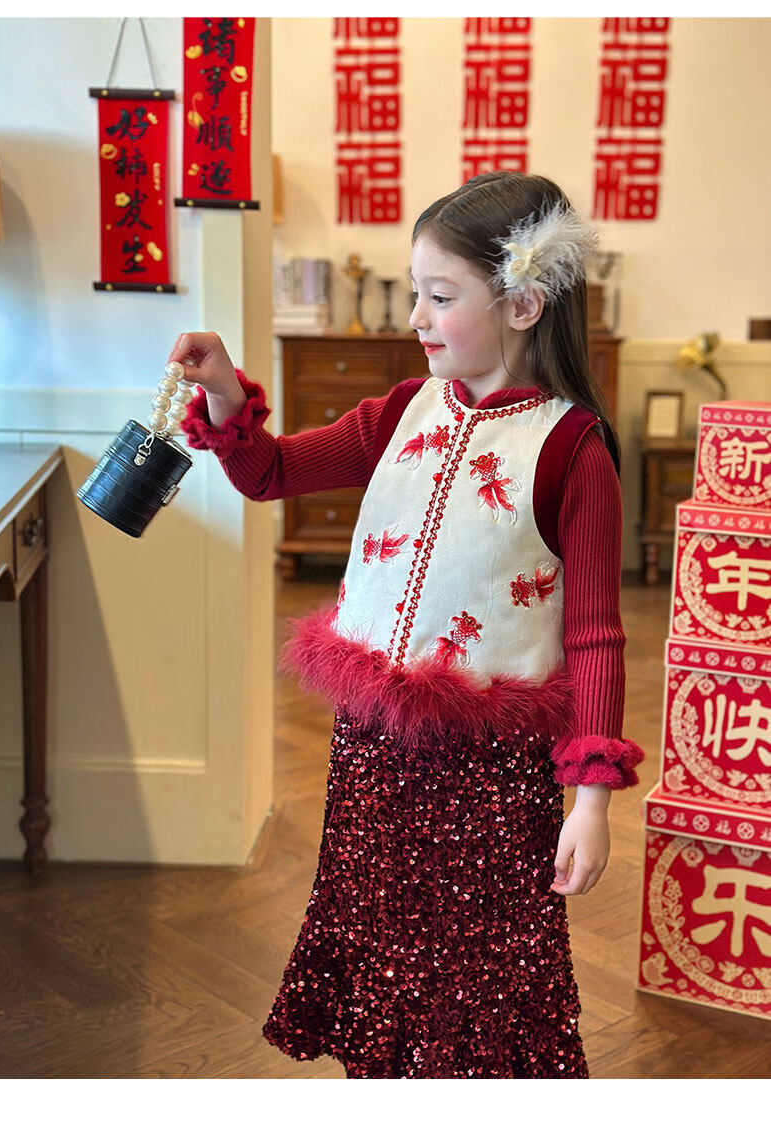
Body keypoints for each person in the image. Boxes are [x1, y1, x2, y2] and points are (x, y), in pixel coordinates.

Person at [168, 170, 644, 1079]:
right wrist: (224, 388)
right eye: (416, 292)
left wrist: (591, 801)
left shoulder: (572, 450)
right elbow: (269, 472)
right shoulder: (401, 412)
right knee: (383, 953)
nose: (418, 317)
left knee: (478, 979)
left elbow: (595, 637)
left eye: (441, 296)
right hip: (373, 750)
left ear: (523, 304)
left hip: (488, 778)